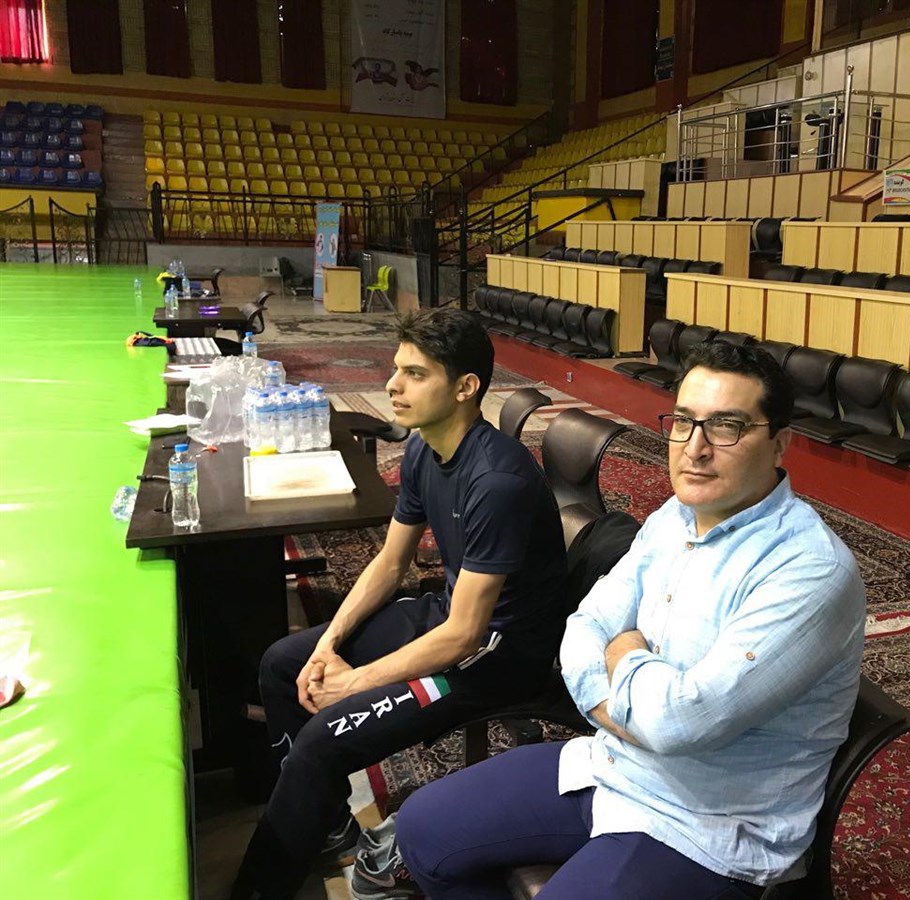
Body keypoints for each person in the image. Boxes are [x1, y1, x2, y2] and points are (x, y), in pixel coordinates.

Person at [389, 340, 868, 899]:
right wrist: (630, 704)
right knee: (422, 829)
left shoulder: (809, 570)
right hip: (612, 765)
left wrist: (624, 652)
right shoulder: (674, 517)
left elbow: (680, 723)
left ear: (780, 443)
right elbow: (582, 627)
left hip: (709, 825)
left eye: (726, 427)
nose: (695, 449)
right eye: (683, 422)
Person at [231, 308, 568, 900]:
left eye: (415, 374)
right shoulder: (422, 447)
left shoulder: (497, 482)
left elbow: (466, 636)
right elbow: (390, 563)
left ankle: (260, 888)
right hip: (451, 617)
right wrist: (329, 643)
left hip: (498, 657)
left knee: (324, 738)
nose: (392, 385)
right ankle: (324, 822)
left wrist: (355, 682)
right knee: (286, 663)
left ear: (465, 388)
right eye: (395, 370)